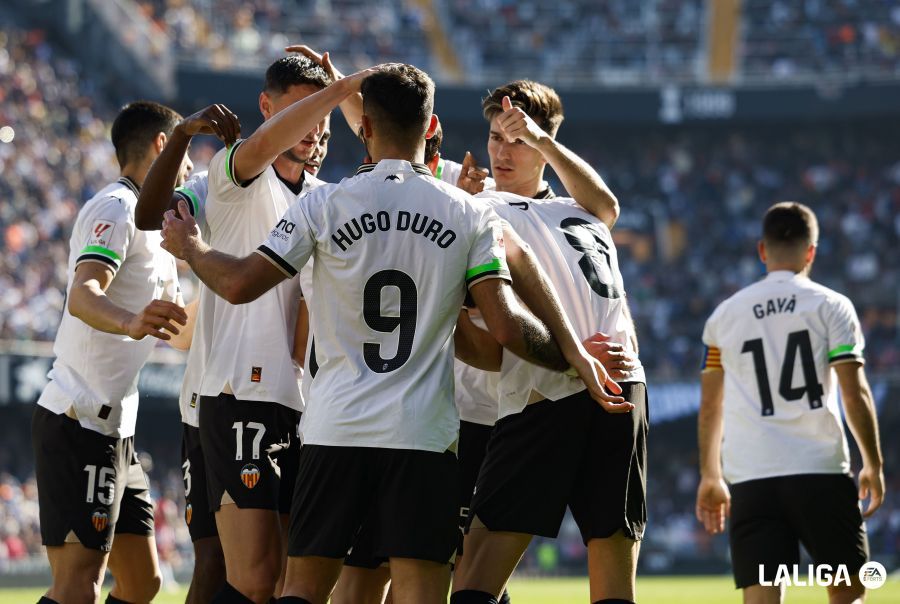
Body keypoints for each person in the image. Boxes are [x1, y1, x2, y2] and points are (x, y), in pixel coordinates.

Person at [160, 63, 626, 604]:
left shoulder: (323, 203)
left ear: (364, 130)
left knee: (304, 587)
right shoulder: (467, 212)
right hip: (421, 436)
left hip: (335, 429)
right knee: (419, 591)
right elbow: (505, 325)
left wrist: (192, 248)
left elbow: (240, 285)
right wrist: (571, 356)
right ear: (431, 130)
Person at [167, 56, 360, 604]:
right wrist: (337, 90)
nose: (315, 128)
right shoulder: (236, 173)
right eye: (301, 112)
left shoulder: (326, 199)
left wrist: (341, 94)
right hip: (238, 391)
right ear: (268, 109)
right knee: (248, 576)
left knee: (282, 580)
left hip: (300, 400)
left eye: (323, 118)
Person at [452, 80, 647, 604]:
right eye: (495, 136)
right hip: (609, 383)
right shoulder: (495, 205)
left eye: (517, 140)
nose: (500, 150)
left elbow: (607, 204)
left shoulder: (568, 210)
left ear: (542, 144)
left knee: (476, 581)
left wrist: (542, 142)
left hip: (559, 392)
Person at [31, 101, 189, 604]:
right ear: (162, 146)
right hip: (79, 417)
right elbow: (82, 295)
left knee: (143, 584)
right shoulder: (117, 207)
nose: (187, 172)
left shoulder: (160, 228)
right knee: (79, 588)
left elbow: (180, 331)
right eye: (184, 156)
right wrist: (130, 321)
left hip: (117, 428)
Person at [695, 202, 885, 604]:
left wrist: (711, 475)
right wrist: (873, 462)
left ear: (762, 250)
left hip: (752, 477)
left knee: (762, 597)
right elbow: (855, 391)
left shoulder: (724, 316)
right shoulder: (832, 306)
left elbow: (711, 405)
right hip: (819, 469)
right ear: (811, 251)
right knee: (847, 593)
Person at [135, 103, 240, 604]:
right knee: (222, 563)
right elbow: (149, 214)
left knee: (254, 565)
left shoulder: (312, 200)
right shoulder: (215, 190)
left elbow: (179, 333)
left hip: (280, 402)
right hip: (209, 407)